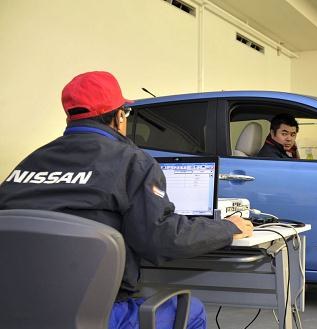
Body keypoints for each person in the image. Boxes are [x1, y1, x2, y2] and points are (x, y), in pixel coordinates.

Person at [0, 71, 253, 329]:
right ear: (119, 116)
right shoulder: (132, 161)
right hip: (97, 314)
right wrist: (227, 227)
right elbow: (163, 239)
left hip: (15, 310)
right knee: (192, 312)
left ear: (69, 116)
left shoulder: (28, 163)